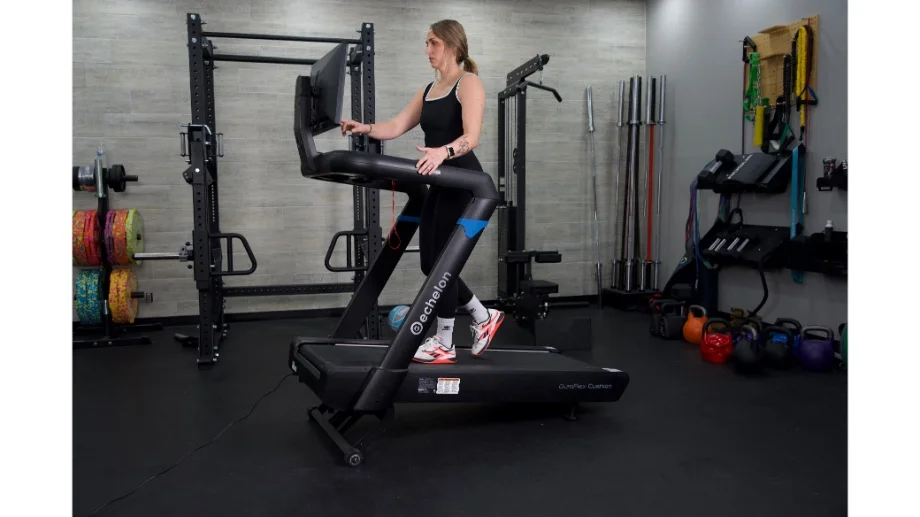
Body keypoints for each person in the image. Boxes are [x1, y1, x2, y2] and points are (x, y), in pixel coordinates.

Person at [339, 19, 504, 365]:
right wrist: (364, 127)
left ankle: (445, 341)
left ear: (452, 45)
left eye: (433, 43)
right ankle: (482, 316)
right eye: (426, 44)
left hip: (463, 182)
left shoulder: (468, 83)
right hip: (440, 183)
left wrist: (442, 152)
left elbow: (471, 138)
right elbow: (397, 125)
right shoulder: (428, 91)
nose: (427, 50)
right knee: (432, 263)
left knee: (441, 263)